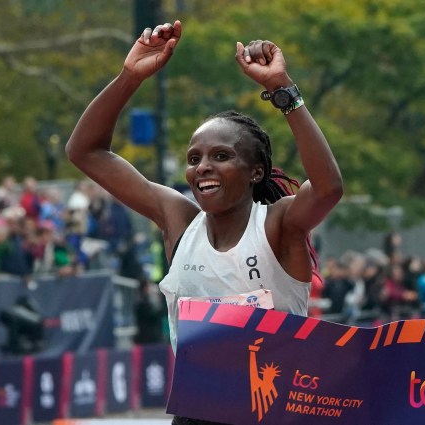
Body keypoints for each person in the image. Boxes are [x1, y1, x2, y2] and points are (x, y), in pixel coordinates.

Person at [66, 20, 342, 425]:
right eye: (194, 158)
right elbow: (85, 151)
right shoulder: (179, 220)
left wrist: (285, 93)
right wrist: (130, 76)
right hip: (196, 415)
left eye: (221, 156)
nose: (203, 168)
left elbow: (328, 188)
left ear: (255, 172)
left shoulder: (278, 225)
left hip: (274, 414)